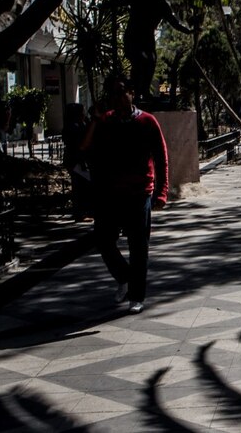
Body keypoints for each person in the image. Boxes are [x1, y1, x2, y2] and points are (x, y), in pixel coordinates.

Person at [83, 75, 169, 314]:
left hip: (139, 193)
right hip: (110, 194)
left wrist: (161, 192)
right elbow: (91, 152)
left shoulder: (147, 122)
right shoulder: (106, 122)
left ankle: (136, 296)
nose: (118, 99)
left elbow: (161, 158)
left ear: (132, 93)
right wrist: (95, 120)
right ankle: (124, 276)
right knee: (103, 239)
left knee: (139, 246)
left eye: (122, 93)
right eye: (114, 94)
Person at [117, 0, 194, 99]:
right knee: (139, 62)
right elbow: (120, 2)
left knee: (151, 61)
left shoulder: (161, 3)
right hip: (133, 37)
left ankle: (144, 91)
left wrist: (188, 31)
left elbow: (174, 22)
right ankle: (135, 92)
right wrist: (103, 5)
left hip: (147, 39)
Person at [62, 103, 92, 221]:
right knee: (80, 185)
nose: (84, 114)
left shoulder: (80, 124)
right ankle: (80, 212)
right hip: (76, 160)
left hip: (77, 160)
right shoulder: (73, 127)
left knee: (82, 185)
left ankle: (82, 211)